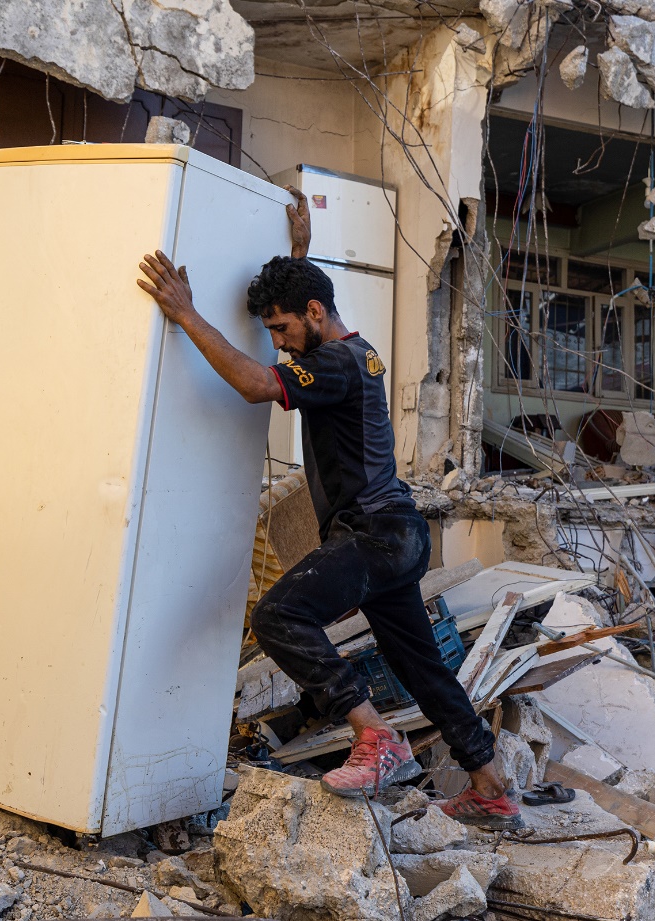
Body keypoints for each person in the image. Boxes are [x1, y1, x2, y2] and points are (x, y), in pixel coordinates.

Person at [136, 191, 521, 829]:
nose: (281, 347)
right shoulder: (347, 350)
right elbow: (305, 331)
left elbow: (258, 385)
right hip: (396, 534)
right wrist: (298, 256)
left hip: (372, 535)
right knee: (420, 664)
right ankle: (491, 784)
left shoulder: (336, 364)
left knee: (279, 614)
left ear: (314, 313)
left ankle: (375, 740)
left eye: (283, 330)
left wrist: (186, 314)